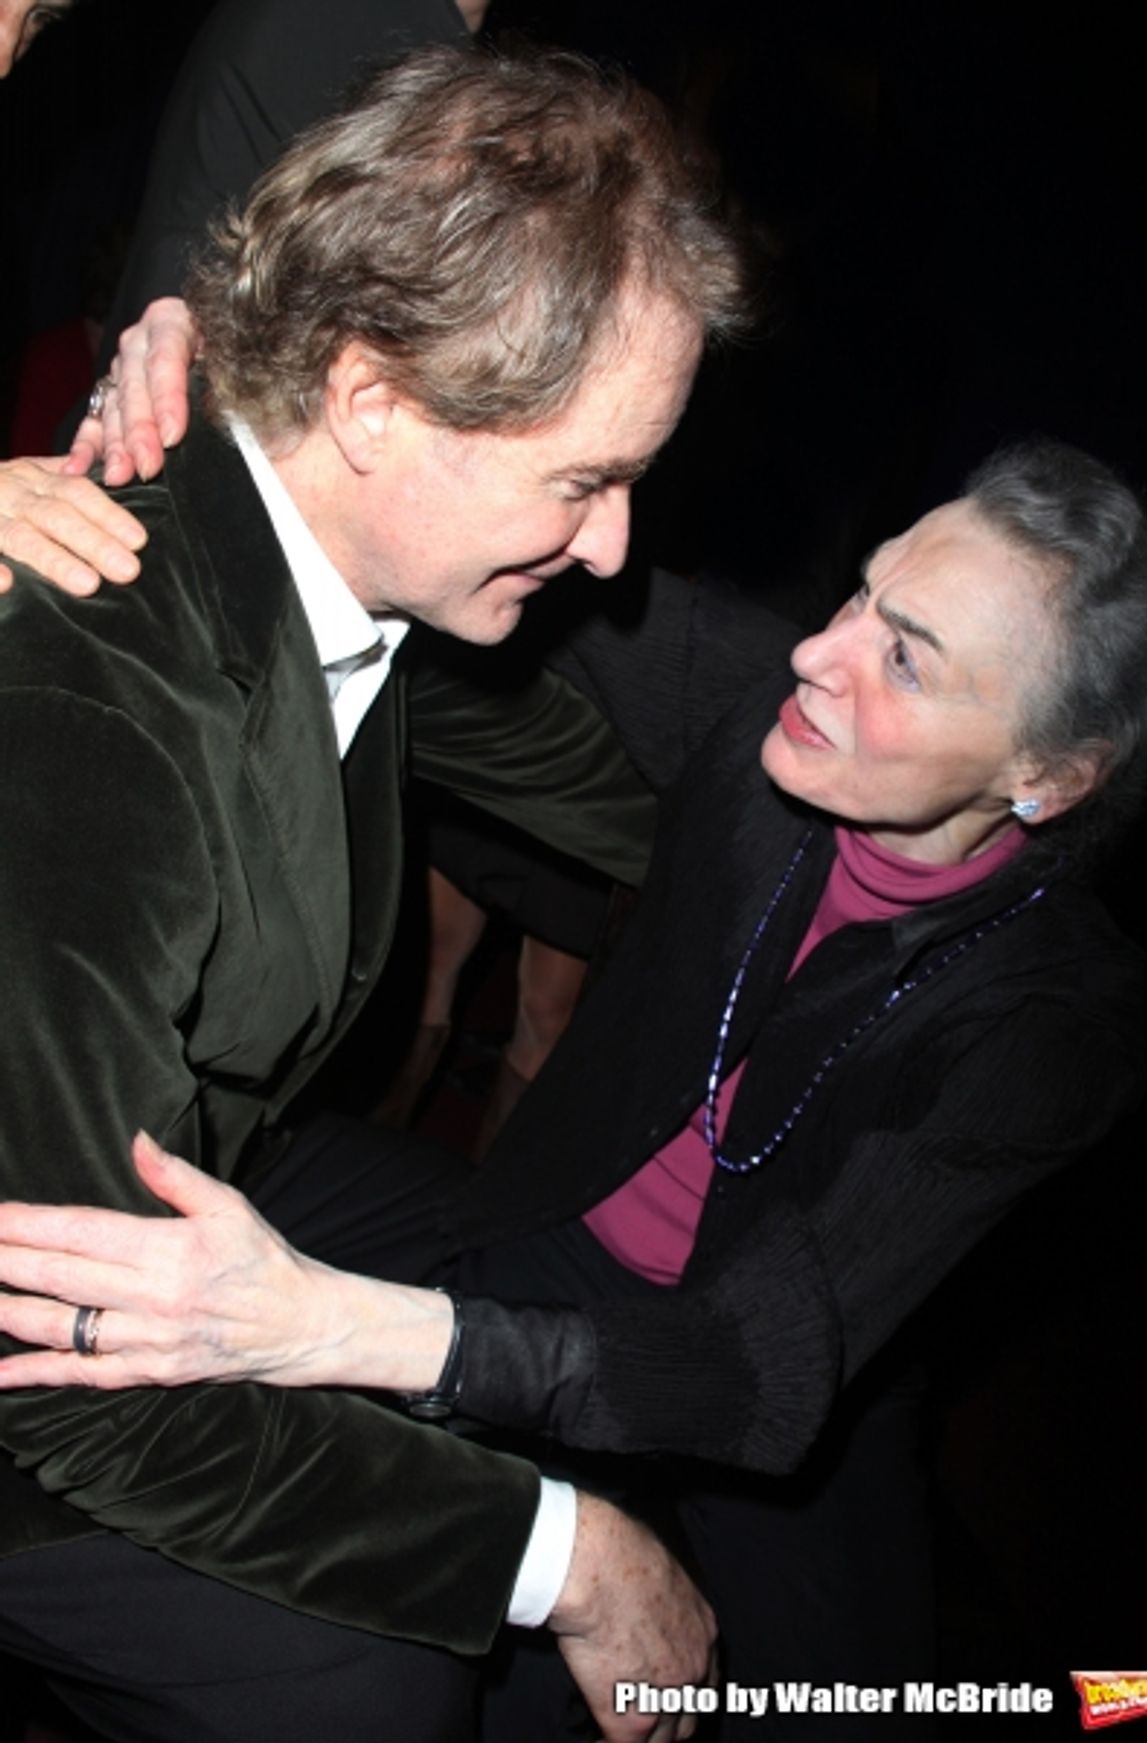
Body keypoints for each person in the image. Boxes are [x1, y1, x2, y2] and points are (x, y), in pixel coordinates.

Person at [4, 434, 1147, 1738]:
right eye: (862, 593)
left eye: (906, 660)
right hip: (548, 1241)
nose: (820, 653)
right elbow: (417, 522)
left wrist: (331, 1324)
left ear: (1047, 777)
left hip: (774, 1375)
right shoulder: (769, 703)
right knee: (489, 1677)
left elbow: (758, 1359)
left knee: (860, 1700)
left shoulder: (1062, 1024)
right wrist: (136, 453)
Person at [0, 43, 747, 1743]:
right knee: (384, 1693)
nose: (615, 547)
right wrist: (560, 1557)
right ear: (372, 404)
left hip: (190, 1164)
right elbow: (70, 1381)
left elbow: (600, 789)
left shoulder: (329, 558)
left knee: (526, 1269)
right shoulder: (94, 720)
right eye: (584, 479)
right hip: (32, 1383)